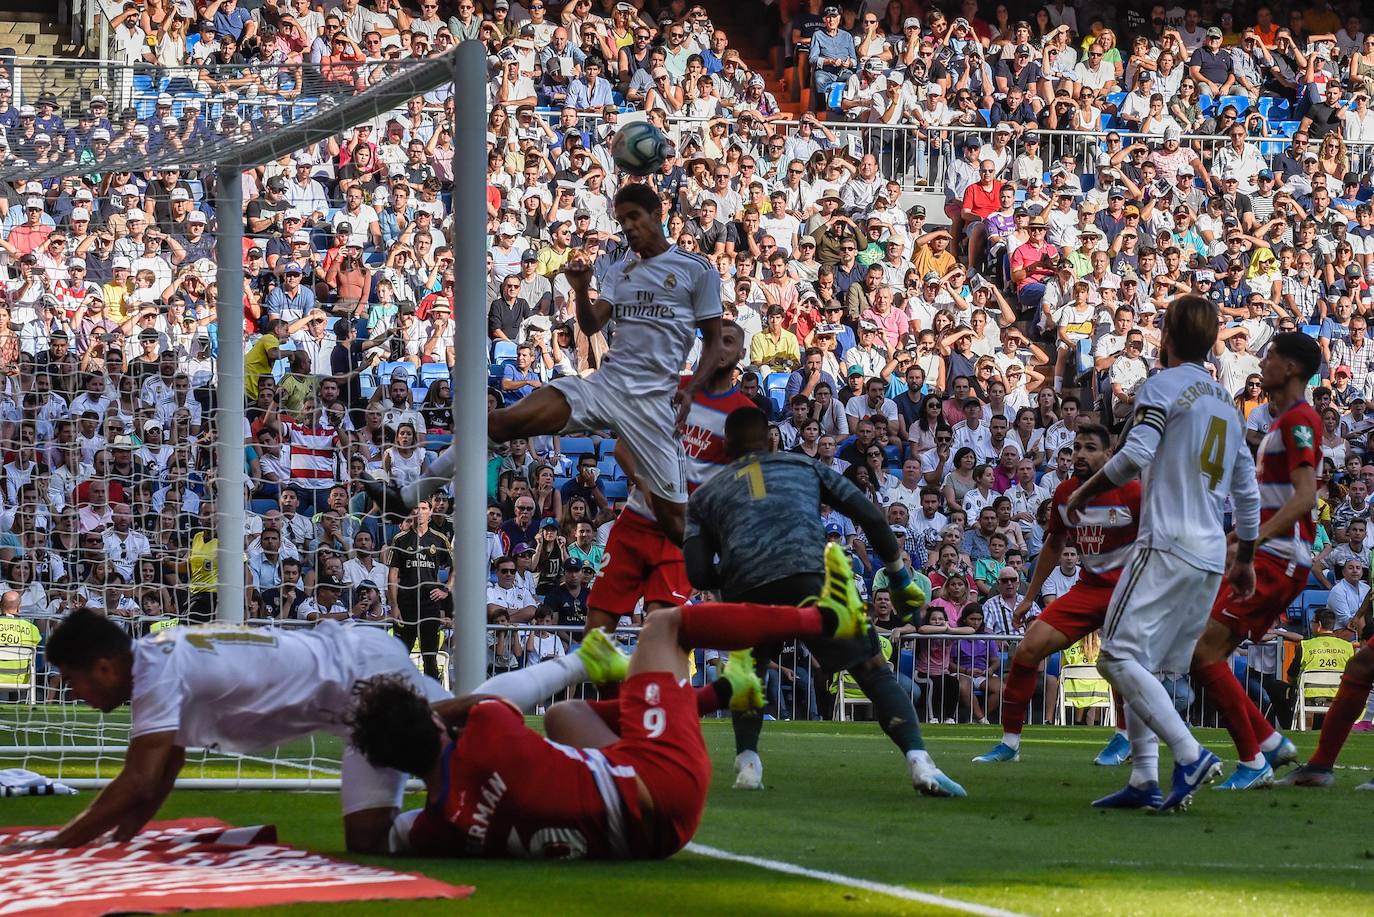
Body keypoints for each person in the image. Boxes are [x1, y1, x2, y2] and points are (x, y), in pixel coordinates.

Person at [344, 555, 871, 858]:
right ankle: (828, 619)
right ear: (433, 719)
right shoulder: (485, 729)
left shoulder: (437, 828)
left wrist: (382, 747)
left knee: (563, 716)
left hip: (653, 839)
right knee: (665, 625)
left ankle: (722, 693)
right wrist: (434, 713)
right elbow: (490, 701)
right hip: (665, 781)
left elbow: (373, 836)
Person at [369, 184, 725, 546]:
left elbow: (715, 340)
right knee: (498, 422)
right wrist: (581, 289)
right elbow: (591, 324)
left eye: (635, 217)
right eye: (622, 220)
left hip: (655, 399)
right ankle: (408, 497)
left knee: (677, 523)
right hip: (607, 385)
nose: (629, 227)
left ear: (658, 215)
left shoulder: (695, 269)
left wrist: (693, 390)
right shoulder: (622, 270)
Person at [683, 407, 962, 797]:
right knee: (873, 670)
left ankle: (748, 764)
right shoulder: (803, 466)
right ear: (770, 440)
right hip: (811, 576)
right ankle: (920, 763)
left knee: (749, 674)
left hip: (747, 590)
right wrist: (899, 576)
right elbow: (871, 516)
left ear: (726, 446)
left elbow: (697, 573)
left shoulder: (706, 494)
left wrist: (733, 576)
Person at [26, 609, 459, 853]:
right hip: (350, 674)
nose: (73, 692)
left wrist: (58, 843)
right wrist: (120, 839)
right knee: (368, 839)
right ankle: (454, 812)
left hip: (365, 677)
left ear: (104, 667)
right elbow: (163, 771)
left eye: (72, 679)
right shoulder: (160, 658)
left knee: (464, 738)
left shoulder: (157, 671)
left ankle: (467, 810)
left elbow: (139, 780)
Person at [1065, 295, 1261, 813]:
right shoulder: (1225, 402)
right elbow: (1246, 489)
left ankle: (1189, 754)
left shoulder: (1161, 386)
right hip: (1210, 550)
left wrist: (1084, 492)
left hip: (1167, 541)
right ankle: (1144, 778)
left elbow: (1136, 452)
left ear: (1167, 337)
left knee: (1116, 656)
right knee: (1147, 665)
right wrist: (1244, 558)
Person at [1188, 333, 1323, 789]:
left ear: (1290, 368)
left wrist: (1250, 542)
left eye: (1270, 358)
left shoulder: (1300, 420)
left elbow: (1305, 497)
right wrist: (1235, 538)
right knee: (1206, 657)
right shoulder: (1281, 421)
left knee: (1203, 654)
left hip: (1277, 558)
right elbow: (1276, 500)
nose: (1261, 365)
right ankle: (1266, 744)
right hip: (1268, 553)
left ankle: (1258, 754)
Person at [972, 422, 1137, 766]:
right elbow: (1054, 544)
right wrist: (1029, 597)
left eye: (1090, 448)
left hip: (1127, 592)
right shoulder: (1064, 492)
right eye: (1077, 448)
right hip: (1088, 589)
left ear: (1110, 454)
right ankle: (1010, 744)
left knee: (1119, 662)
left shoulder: (1132, 491)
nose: (1080, 454)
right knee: (1028, 649)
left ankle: (1124, 737)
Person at [583, 320, 752, 636]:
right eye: (714, 339)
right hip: (637, 523)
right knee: (597, 628)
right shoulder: (672, 390)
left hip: (683, 538)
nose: (720, 346)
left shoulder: (745, 415)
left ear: (741, 353)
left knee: (660, 630)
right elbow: (622, 449)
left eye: (728, 341)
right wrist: (651, 491)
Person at [1281, 605, 1374, 789]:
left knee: (1360, 667)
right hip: (1336, 694)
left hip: (1310, 696)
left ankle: (1319, 765)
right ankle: (1319, 765)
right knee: (1359, 667)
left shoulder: (1306, 645)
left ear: (1317, 625)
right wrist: (1359, 614)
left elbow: (1292, 676)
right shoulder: (1347, 646)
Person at [385, 498, 451, 680]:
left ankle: (433, 695)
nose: (420, 511)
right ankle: (397, 692)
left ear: (430, 512)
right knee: (400, 655)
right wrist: (394, 606)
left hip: (430, 605)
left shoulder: (439, 539)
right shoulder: (400, 539)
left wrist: (446, 590)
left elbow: (456, 566)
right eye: (416, 508)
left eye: (423, 508)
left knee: (430, 657)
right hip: (406, 604)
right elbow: (392, 575)